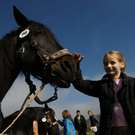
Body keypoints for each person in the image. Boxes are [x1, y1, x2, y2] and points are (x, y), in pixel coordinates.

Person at [72, 51, 135, 135]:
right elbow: (80, 84)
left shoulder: (132, 83)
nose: (109, 66)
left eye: (112, 62)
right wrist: (76, 65)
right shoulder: (102, 86)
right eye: (106, 64)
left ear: (122, 64)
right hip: (110, 132)